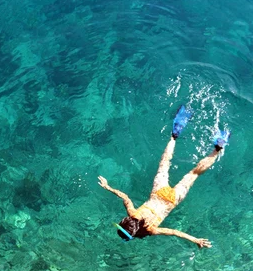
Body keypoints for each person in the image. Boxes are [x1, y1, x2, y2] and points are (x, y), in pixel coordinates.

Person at [98, 106, 230, 248]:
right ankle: (174, 135)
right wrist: (108, 187)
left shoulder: (151, 230)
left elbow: (173, 232)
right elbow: (125, 197)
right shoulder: (133, 213)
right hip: (158, 192)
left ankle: (217, 149)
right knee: (164, 162)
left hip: (172, 200)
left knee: (194, 173)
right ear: (126, 220)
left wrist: (195, 240)